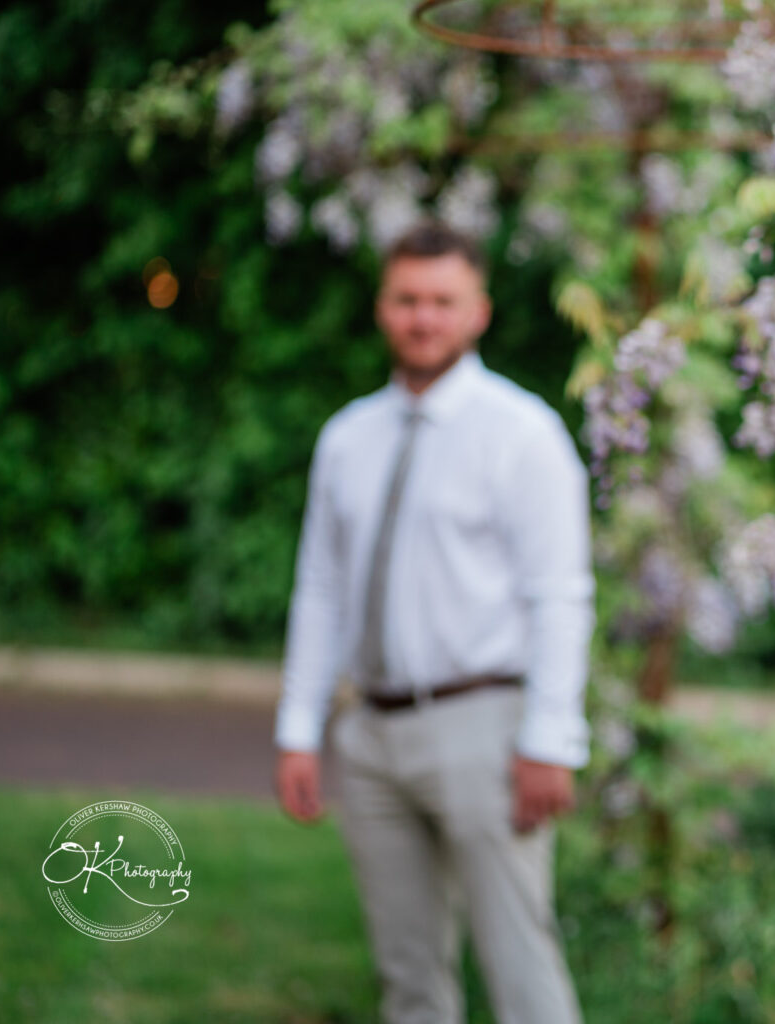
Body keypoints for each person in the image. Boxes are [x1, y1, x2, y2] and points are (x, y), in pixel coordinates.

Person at [272, 221, 593, 1024]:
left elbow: (560, 593)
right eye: (407, 299)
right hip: (372, 734)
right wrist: (299, 726)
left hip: (484, 730)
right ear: (382, 308)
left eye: (442, 302)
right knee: (407, 975)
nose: (423, 319)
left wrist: (550, 741)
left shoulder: (523, 434)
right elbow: (320, 590)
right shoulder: (347, 438)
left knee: (520, 964)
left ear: (478, 311)